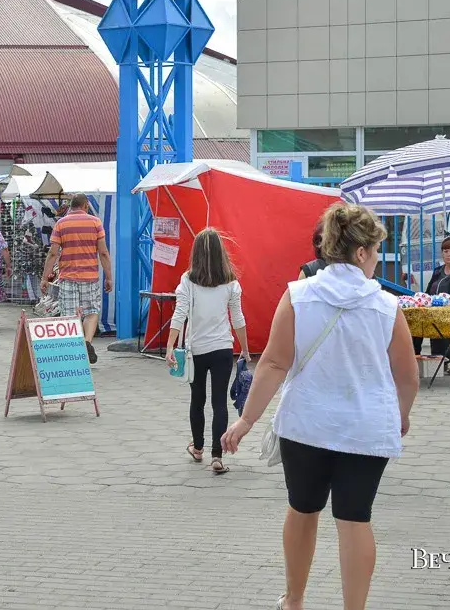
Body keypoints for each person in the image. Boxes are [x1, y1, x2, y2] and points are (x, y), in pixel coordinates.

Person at [222, 202, 418, 610]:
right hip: (366, 430)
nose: (377, 259)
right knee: (355, 519)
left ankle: (294, 600)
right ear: (361, 252)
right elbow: (407, 374)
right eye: (377, 250)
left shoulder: (298, 296)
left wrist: (245, 421)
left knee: (302, 509)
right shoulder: (387, 306)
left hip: (305, 426)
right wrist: (401, 414)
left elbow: (274, 363)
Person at [164, 228, 250, 475]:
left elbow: (179, 314)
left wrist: (170, 345)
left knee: (197, 400)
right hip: (223, 348)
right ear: (221, 253)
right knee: (219, 402)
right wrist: (244, 349)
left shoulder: (187, 280)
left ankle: (198, 448)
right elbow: (238, 318)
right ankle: (217, 456)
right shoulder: (231, 282)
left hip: (196, 351)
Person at [42, 194, 112, 364]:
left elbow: (53, 253)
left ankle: (74, 351)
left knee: (69, 315)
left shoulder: (61, 223)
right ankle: (87, 342)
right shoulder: (95, 222)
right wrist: (109, 276)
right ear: (86, 206)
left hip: (68, 277)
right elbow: (103, 252)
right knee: (91, 312)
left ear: (70, 206)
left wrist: (45, 277)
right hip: (90, 276)